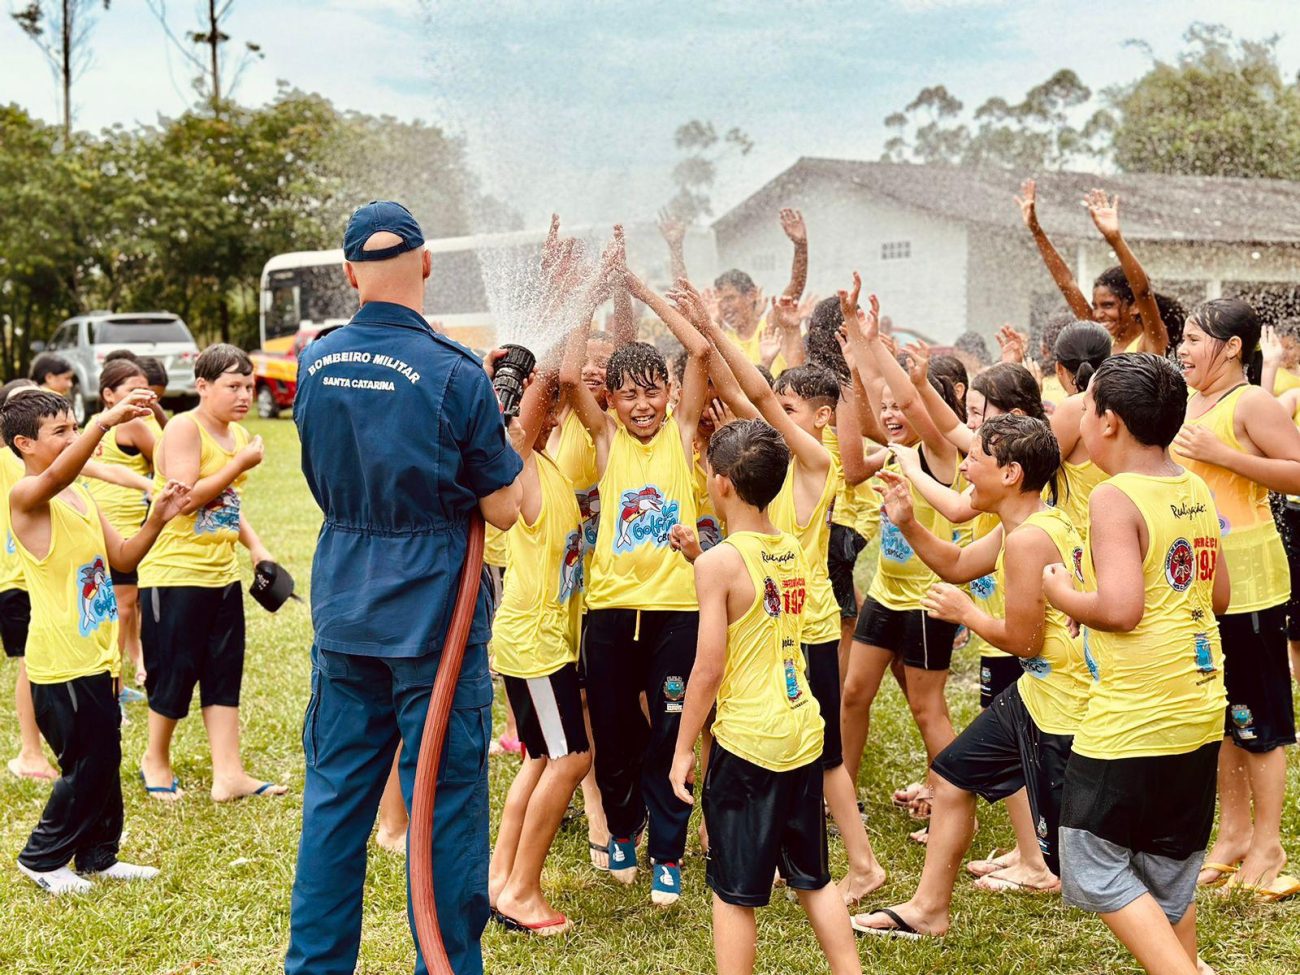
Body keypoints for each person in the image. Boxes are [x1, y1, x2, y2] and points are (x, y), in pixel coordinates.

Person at [286, 201, 523, 975]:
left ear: (350, 273)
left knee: (334, 803)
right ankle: (447, 963)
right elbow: (504, 509)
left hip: (345, 602)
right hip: (434, 616)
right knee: (447, 802)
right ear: (426, 263)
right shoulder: (455, 373)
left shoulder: (315, 361)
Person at [687, 284, 887, 905]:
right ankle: (789, 856)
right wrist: (706, 334)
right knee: (805, 757)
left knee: (825, 762)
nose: (780, 413)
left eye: (793, 409)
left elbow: (756, 393)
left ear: (821, 417)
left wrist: (713, 330)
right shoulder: (784, 462)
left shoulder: (811, 462)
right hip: (790, 629)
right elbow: (745, 391)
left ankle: (863, 865)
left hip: (812, 632)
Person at [854, 414, 1085, 937]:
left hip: (1064, 705)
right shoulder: (1024, 526)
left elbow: (1024, 641)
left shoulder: (1030, 540)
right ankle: (929, 909)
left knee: (1086, 860)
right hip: (1036, 692)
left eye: (975, 458)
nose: (963, 467)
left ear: (1010, 474)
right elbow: (957, 563)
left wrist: (967, 614)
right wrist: (910, 522)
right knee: (954, 774)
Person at [1043, 353, 1227, 975]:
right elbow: (1216, 595)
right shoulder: (1193, 486)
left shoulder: (1115, 496)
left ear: (1110, 422)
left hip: (1134, 717)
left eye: (1086, 407)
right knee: (1167, 861)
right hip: (1199, 709)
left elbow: (1121, 609)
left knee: (1089, 854)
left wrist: (1063, 593)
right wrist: (1096, 600)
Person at [667, 418, 862, 975]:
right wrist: (700, 557)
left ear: (724, 483)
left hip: (749, 742)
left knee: (734, 890)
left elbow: (708, 668)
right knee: (812, 876)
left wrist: (683, 751)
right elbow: (753, 598)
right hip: (802, 731)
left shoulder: (719, 563)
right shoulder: (789, 549)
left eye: (709, 471)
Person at [560, 261, 709, 906]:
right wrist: (591, 293)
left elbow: (701, 348)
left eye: (654, 392)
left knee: (671, 732)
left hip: (677, 612)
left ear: (670, 394)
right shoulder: (604, 439)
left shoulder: (679, 435)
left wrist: (642, 290)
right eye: (630, 396)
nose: (643, 406)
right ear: (612, 402)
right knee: (615, 732)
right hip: (612, 615)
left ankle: (667, 854)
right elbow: (567, 376)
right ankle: (622, 830)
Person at [6, 388, 188, 894]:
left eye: (73, 427)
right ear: (24, 443)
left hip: (100, 656)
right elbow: (60, 472)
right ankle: (41, 858)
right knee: (87, 764)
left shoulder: (78, 496)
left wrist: (158, 517)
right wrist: (104, 422)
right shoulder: (25, 497)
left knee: (105, 756)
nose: (70, 437)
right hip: (60, 661)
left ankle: (97, 855)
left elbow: (125, 558)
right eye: (58, 431)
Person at [1169, 299, 1300, 898]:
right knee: (1219, 713)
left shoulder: (1251, 403)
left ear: (1231, 348)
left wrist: (1225, 456)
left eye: (1195, 340)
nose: (1184, 349)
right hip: (1200, 583)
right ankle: (1234, 835)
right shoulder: (1190, 401)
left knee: (1260, 716)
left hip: (1249, 582)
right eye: (1184, 339)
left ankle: (1269, 844)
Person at [135, 344, 284, 804]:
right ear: (202, 386)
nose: (243, 395)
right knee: (174, 671)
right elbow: (183, 499)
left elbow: (227, 505)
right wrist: (238, 466)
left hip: (221, 574)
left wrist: (256, 547)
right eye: (232, 386)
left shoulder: (237, 436)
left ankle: (229, 774)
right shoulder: (184, 428)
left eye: (249, 386)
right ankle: (155, 759)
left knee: (223, 673)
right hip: (174, 573)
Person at [837, 278, 961, 810]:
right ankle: (839, 796)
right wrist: (860, 339)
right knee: (852, 695)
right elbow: (873, 386)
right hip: (887, 594)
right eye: (884, 409)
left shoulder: (939, 454)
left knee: (927, 710)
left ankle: (949, 798)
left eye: (900, 407)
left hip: (929, 601)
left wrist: (886, 358)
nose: (891, 414)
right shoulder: (895, 452)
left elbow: (908, 395)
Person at [487, 375, 590, 935]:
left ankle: (500, 876)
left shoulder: (545, 461)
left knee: (539, 757)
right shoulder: (517, 459)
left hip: (545, 642)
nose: (553, 409)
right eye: (543, 402)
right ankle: (522, 893)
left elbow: (557, 389)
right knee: (572, 759)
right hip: (534, 645)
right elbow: (539, 396)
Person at [1015, 180, 1169, 356]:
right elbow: (1067, 284)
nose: (1098, 314)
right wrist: (1036, 230)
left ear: (1134, 307)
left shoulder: (1150, 339)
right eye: (1095, 306)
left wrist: (1115, 239)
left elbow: (1143, 292)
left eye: (1108, 305)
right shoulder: (1101, 341)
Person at [85, 358, 158, 692]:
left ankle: (125, 675)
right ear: (109, 394)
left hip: (98, 524)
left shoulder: (92, 424)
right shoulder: (132, 425)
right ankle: (112, 688)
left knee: (113, 609)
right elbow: (171, 460)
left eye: (145, 389)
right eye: (132, 390)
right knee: (123, 610)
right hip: (123, 530)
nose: (141, 395)